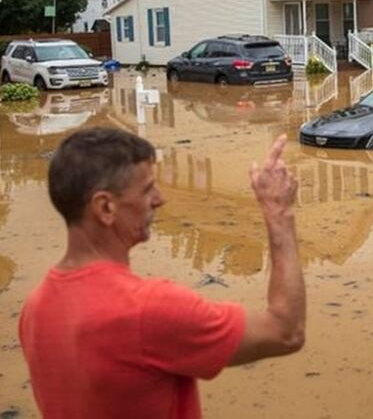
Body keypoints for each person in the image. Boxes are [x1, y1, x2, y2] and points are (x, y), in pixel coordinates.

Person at [19, 127, 305, 418]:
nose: (159, 199)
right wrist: (278, 212)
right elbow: (285, 331)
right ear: (105, 207)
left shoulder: (35, 307)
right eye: (147, 189)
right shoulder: (149, 309)